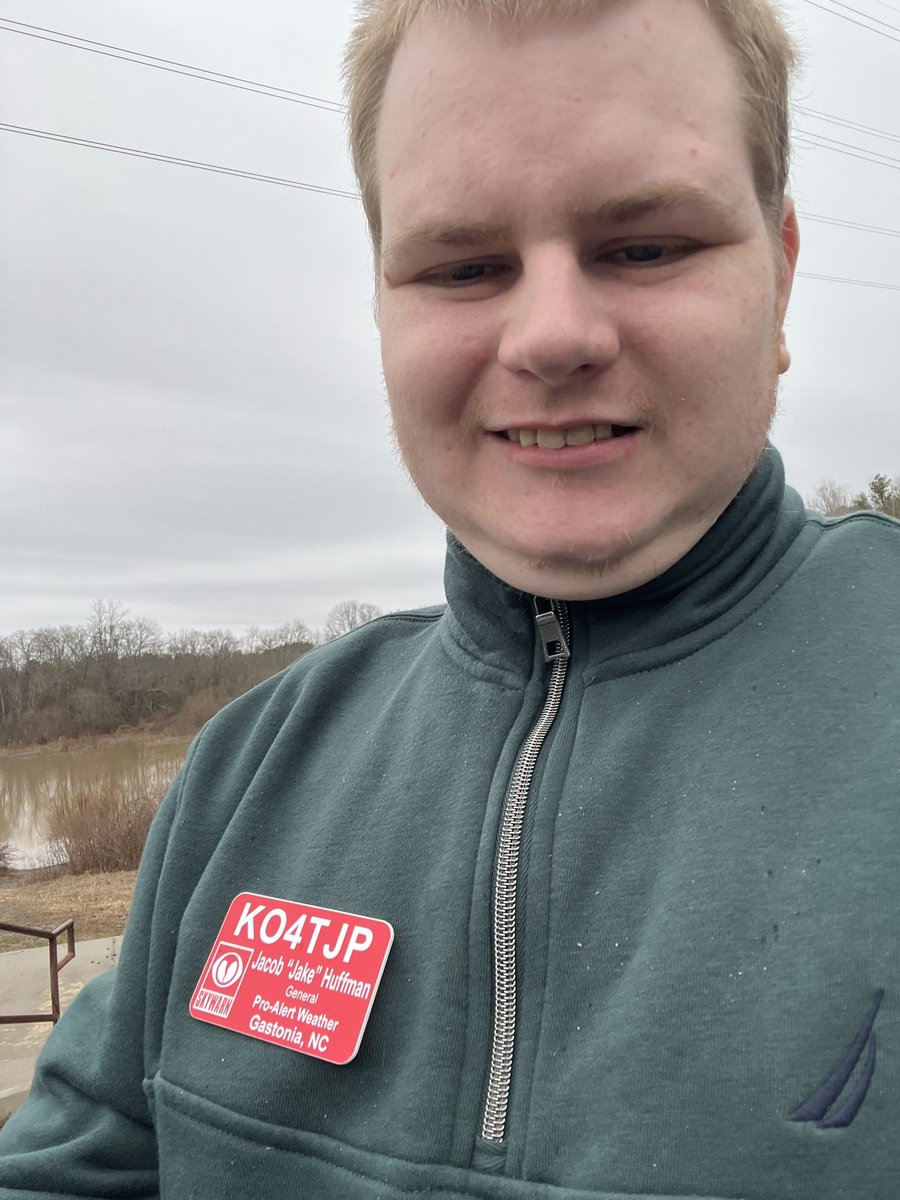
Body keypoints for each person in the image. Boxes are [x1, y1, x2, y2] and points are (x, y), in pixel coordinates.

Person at [1, 0, 897, 1196]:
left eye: (647, 246)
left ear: (781, 275)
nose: (554, 334)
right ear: (382, 307)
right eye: (465, 266)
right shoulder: (254, 764)